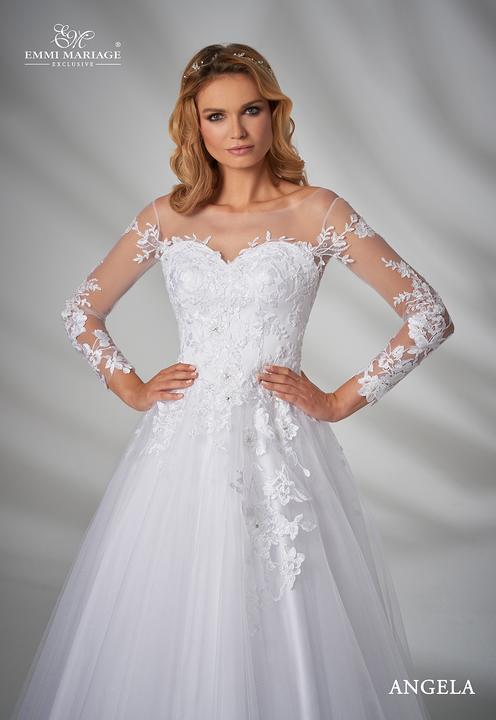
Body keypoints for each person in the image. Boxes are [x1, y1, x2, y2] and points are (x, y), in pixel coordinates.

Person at [10, 43, 454, 720]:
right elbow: (82, 311)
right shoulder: (166, 216)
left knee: (286, 603)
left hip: (281, 446)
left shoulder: (319, 211)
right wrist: (131, 388)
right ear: (195, 124)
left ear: (274, 113)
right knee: (176, 608)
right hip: (180, 451)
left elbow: (427, 315)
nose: (237, 130)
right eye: (216, 116)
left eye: (251, 110)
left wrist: (339, 400)